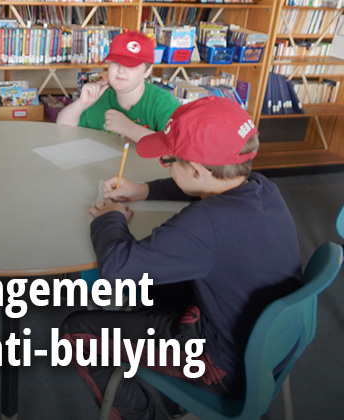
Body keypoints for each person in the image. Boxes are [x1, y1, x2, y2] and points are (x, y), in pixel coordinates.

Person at [61, 97, 303, 419]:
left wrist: (110, 217)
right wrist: (144, 190)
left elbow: (117, 269)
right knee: (146, 287)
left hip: (224, 364)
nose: (165, 163)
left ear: (197, 169)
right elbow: (203, 186)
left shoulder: (206, 223)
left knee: (76, 332)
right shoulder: (260, 187)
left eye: (168, 159)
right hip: (268, 343)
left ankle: (144, 415)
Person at [56, 31, 179, 143]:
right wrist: (82, 103)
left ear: (147, 71)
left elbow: (176, 148)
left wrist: (128, 128)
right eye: (115, 62)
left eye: (131, 65)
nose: (121, 70)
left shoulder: (164, 103)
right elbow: (63, 127)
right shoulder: (102, 96)